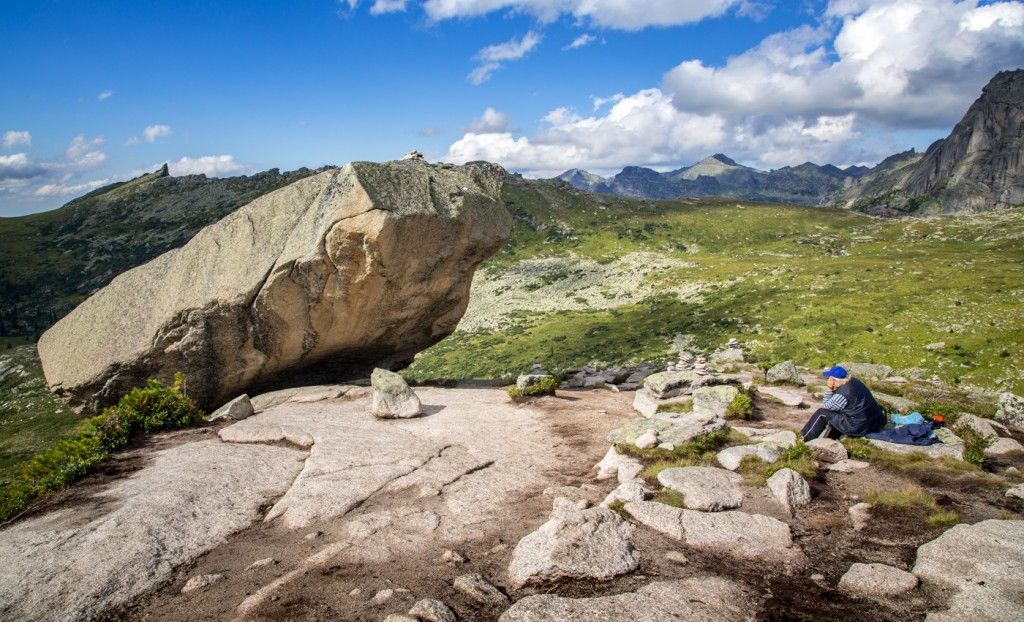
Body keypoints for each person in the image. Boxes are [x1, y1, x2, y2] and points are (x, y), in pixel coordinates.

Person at [800, 365, 886, 442]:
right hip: (874, 422)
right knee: (838, 412)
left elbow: (826, 406)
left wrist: (830, 389)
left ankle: (804, 438)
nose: (827, 379)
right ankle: (831, 439)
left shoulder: (843, 394)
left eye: (829, 378)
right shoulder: (855, 381)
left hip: (858, 426)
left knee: (822, 414)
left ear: (834, 380)